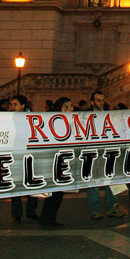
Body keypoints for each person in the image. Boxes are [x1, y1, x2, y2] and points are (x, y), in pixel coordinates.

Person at [84, 90, 125, 220]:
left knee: (111, 180)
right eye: (98, 100)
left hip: (108, 152)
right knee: (93, 184)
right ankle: (95, 210)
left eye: (103, 100)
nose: (101, 103)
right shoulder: (85, 116)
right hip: (92, 153)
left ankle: (113, 207)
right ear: (92, 102)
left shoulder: (109, 115)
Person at [37, 96, 72, 229]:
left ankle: (48, 217)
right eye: (70, 106)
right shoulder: (57, 120)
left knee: (55, 192)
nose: (72, 109)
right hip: (55, 160)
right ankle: (48, 218)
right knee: (55, 192)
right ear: (63, 107)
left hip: (58, 159)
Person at [8, 94, 39, 222]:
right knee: (15, 185)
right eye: (11, 104)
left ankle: (31, 211)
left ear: (23, 105)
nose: (12, 107)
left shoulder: (32, 118)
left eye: (15, 104)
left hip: (29, 154)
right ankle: (17, 213)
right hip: (15, 155)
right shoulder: (8, 117)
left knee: (32, 183)